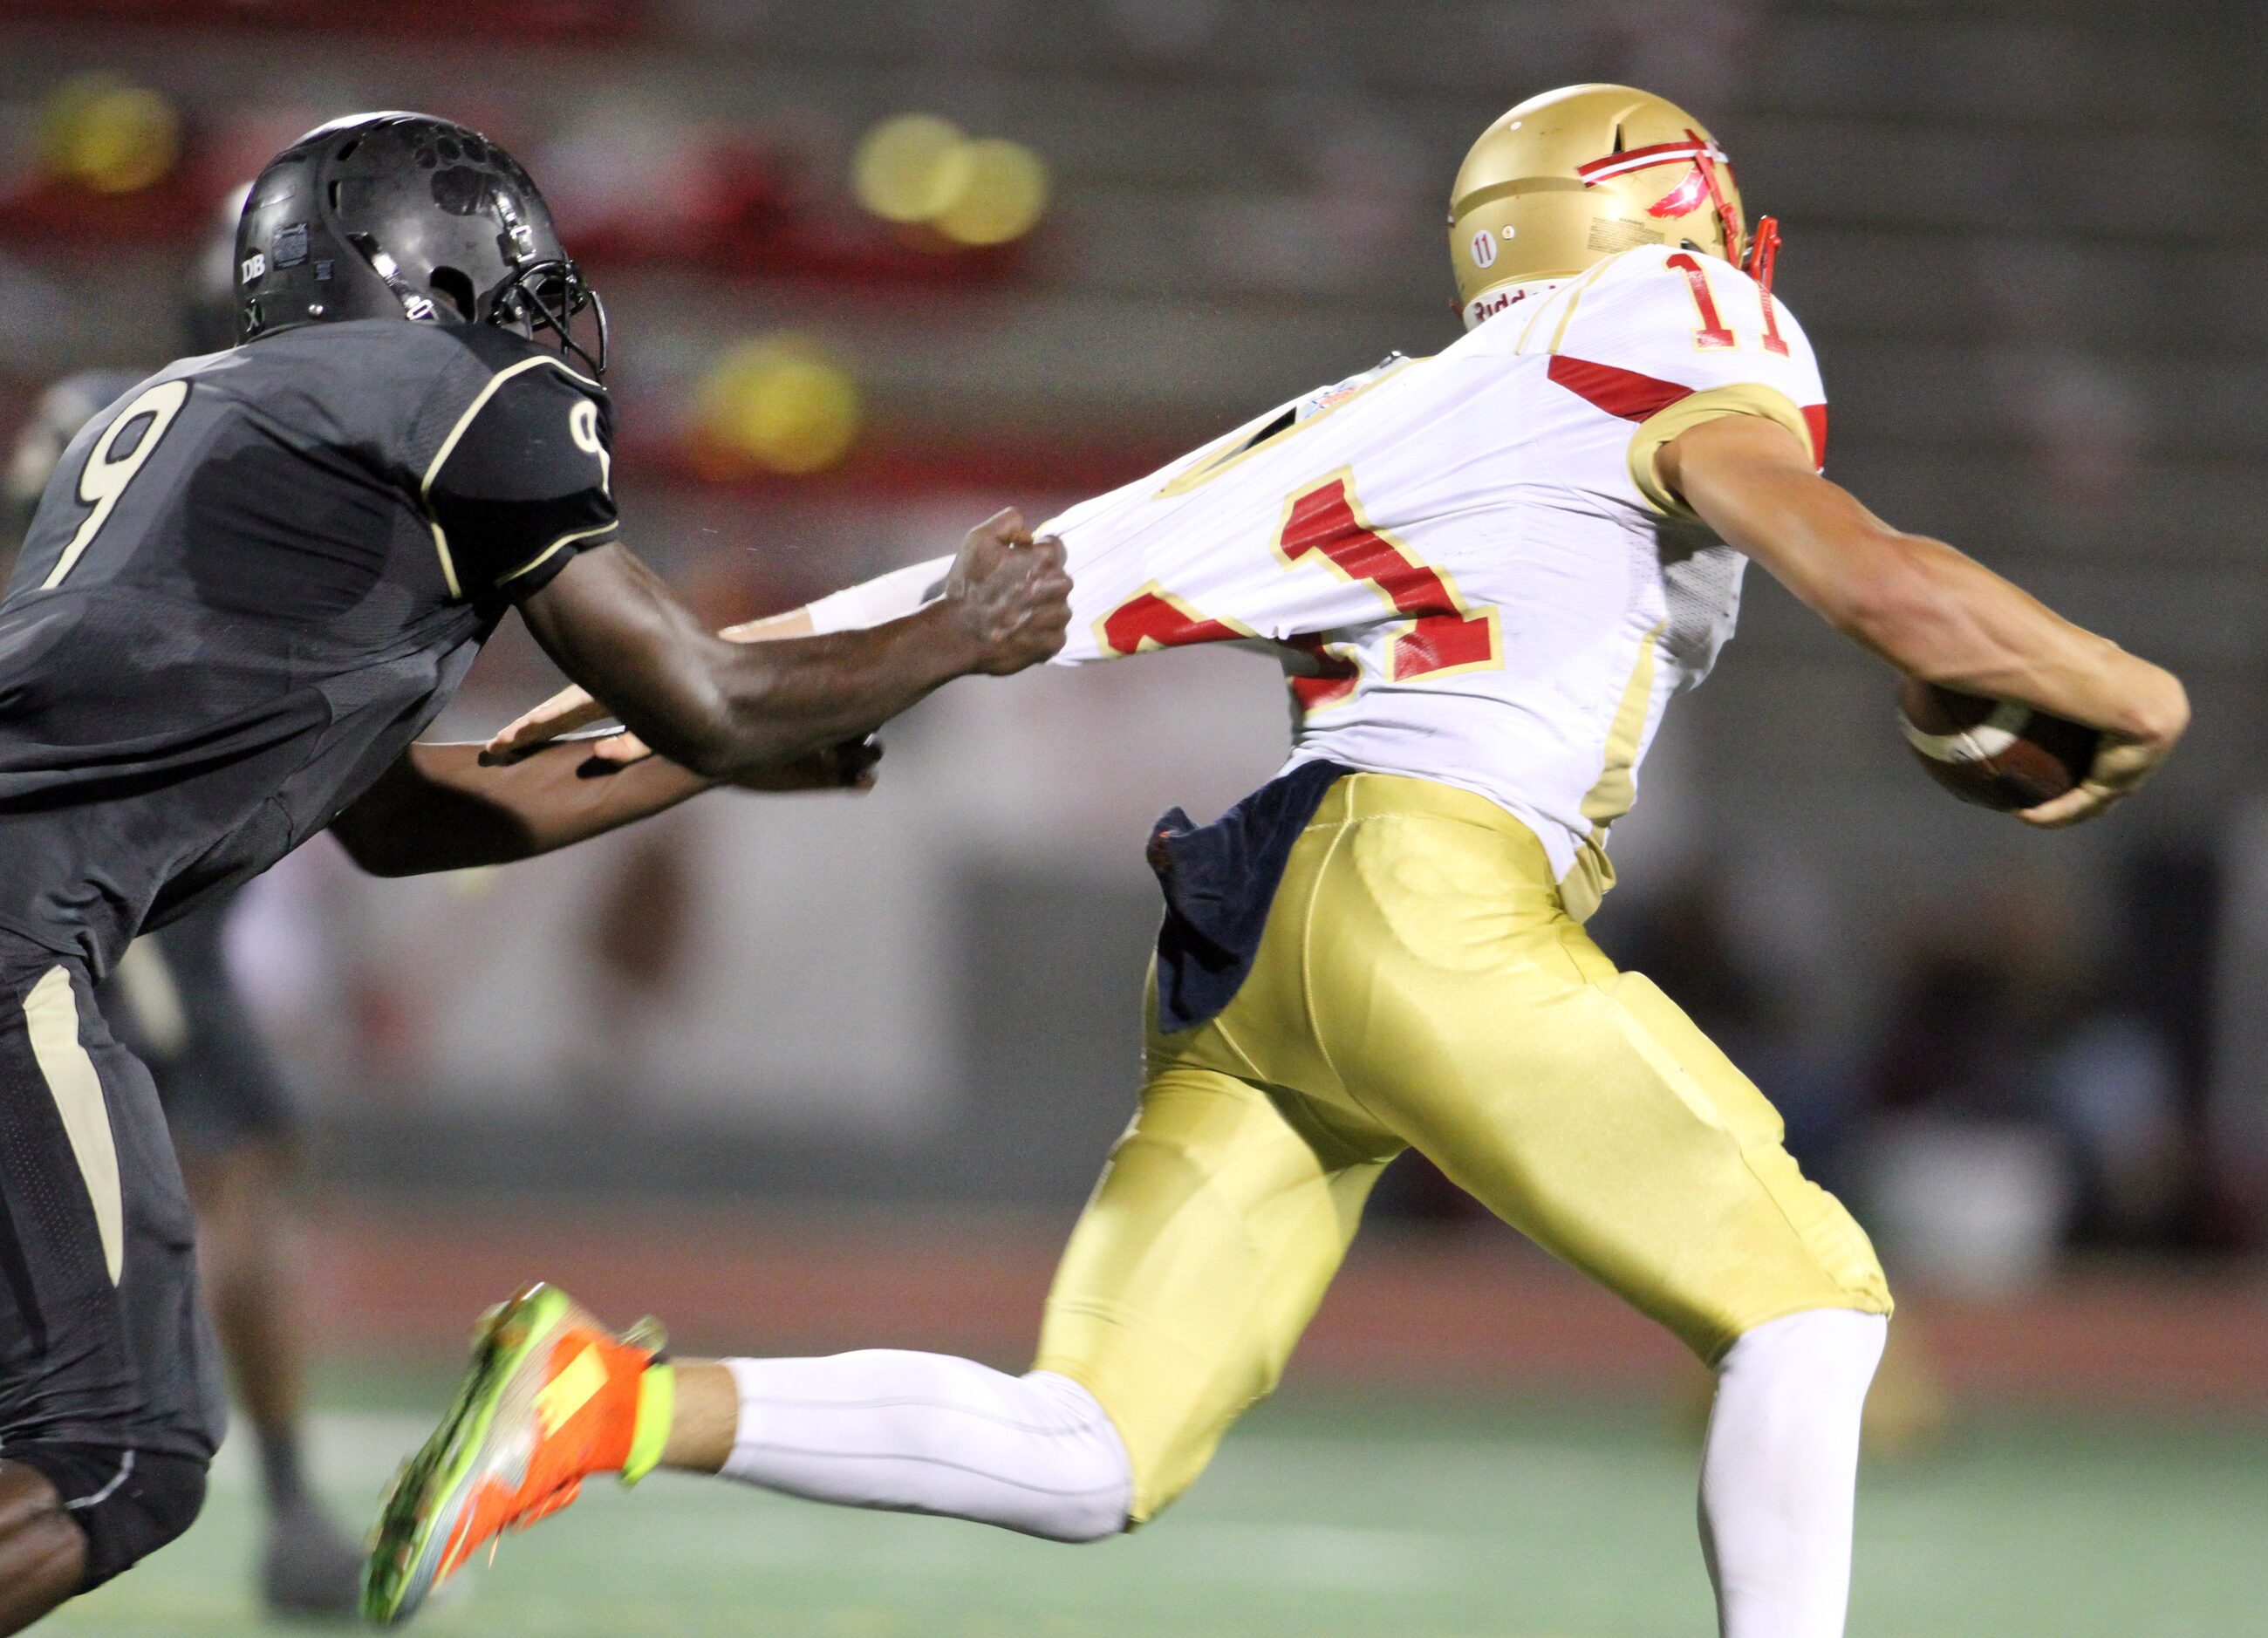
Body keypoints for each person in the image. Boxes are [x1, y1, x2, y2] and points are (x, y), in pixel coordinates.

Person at [383, 85, 2188, 1637]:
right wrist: (2123, 685)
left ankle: (604, 1405)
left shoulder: (1419, 403)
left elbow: (1075, 562)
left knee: (1089, 1446)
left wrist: (655, 698)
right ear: (1656, 213)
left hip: (1269, 925)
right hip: (1428, 897)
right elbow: (1868, 575)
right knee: (1809, 1309)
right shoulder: (1676, 326)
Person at [0, 110, 1069, 1635]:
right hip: (15, 932)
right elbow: (700, 686)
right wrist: (960, 632)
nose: (540, 315)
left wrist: (728, 753)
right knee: (114, 1458)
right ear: (425, 266)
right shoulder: (448, 386)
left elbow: (407, 817)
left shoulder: (201, 427)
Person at [0, 195, 372, 1616]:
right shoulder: (271, 447)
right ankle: (285, 1503)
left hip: (115, 849)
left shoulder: (107, 415)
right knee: (132, 1420)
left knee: (228, 1168)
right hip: (103, 863)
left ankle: (283, 1502)